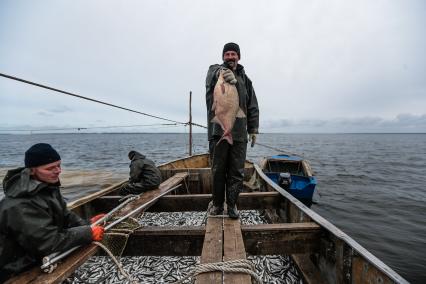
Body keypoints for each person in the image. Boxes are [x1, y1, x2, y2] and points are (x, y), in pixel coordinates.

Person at [0, 143, 104, 281]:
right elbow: (48, 243)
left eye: (59, 165)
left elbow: (65, 216)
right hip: (16, 270)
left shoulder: (47, 187)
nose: (58, 171)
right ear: (32, 171)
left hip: (40, 259)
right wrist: (88, 233)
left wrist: (87, 223)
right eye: (50, 168)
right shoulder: (20, 203)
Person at [205, 42, 259, 219]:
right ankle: (218, 205)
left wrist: (254, 129)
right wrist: (223, 75)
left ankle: (233, 205)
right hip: (217, 131)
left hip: (239, 135)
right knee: (218, 170)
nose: (230, 57)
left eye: (233, 54)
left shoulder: (246, 80)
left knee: (236, 171)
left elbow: (252, 106)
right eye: (226, 54)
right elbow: (211, 81)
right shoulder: (214, 71)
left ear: (239, 57)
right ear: (223, 57)